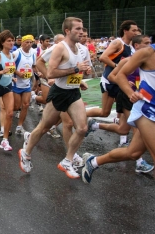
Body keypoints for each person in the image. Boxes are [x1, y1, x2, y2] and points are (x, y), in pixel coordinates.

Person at [18, 17, 91, 179]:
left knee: (82, 128)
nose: (81, 32)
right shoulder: (60, 48)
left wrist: (79, 81)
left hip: (73, 92)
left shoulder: (79, 48)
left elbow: (74, 70)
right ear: (67, 31)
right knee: (44, 127)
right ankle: (26, 152)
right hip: (59, 92)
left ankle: (67, 160)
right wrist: (73, 70)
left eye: (82, 28)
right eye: (78, 29)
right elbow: (49, 71)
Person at [83, 43, 155, 183]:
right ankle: (87, 120)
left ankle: (93, 162)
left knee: (133, 153)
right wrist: (130, 92)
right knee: (114, 120)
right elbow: (117, 75)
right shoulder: (143, 54)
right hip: (146, 109)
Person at [86, 21, 139, 119]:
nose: (136, 32)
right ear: (125, 31)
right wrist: (117, 66)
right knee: (105, 112)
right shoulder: (118, 43)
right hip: (110, 80)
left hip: (120, 81)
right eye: (134, 30)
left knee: (123, 106)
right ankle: (81, 116)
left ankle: (121, 128)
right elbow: (103, 57)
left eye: (137, 30)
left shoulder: (131, 46)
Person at [12, 34, 37, 135]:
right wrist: (18, 73)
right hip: (16, 83)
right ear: (22, 43)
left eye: (31, 42)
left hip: (27, 84)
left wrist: (38, 73)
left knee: (25, 105)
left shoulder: (33, 53)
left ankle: (19, 126)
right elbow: (9, 65)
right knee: (16, 106)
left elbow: (34, 66)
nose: (29, 44)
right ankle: (5, 110)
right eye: (27, 42)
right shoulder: (16, 53)